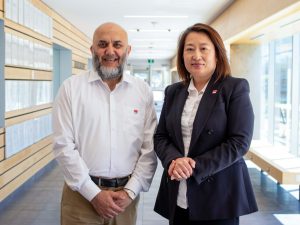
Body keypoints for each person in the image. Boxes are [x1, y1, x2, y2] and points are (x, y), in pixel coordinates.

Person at [52, 22, 158, 225]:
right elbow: (63, 146)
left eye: (117, 45)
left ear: (128, 50)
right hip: (81, 197)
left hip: (125, 199)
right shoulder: (71, 89)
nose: (110, 51)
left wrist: (130, 191)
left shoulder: (142, 91)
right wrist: (93, 193)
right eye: (102, 44)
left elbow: (149, 148)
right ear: (92, 50)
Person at [153, 23, 258, 225]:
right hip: (178, 192)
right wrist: (174, 160)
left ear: (217, 54)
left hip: (218, 194)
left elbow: (239, 141)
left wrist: (194, 166)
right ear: (182, 55)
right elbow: (161, 136)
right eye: (189, 49)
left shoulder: (234, 88)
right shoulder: (173, 91)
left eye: (203, 48)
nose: (196, 55)